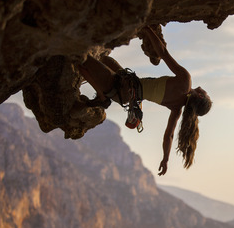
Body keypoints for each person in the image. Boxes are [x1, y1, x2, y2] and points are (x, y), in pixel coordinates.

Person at [79, 26, 212, 176]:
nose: (205, 91)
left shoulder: (185, 80)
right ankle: (102, 97)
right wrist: (165, 159)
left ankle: (103, 98)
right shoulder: (177, 109)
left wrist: (147, 29)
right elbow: (168, 136)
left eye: (207, 94)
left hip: (121, 87)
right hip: (125, 90)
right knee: (104, 58)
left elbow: (163, 52)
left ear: (201, 96)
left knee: (81, 58)